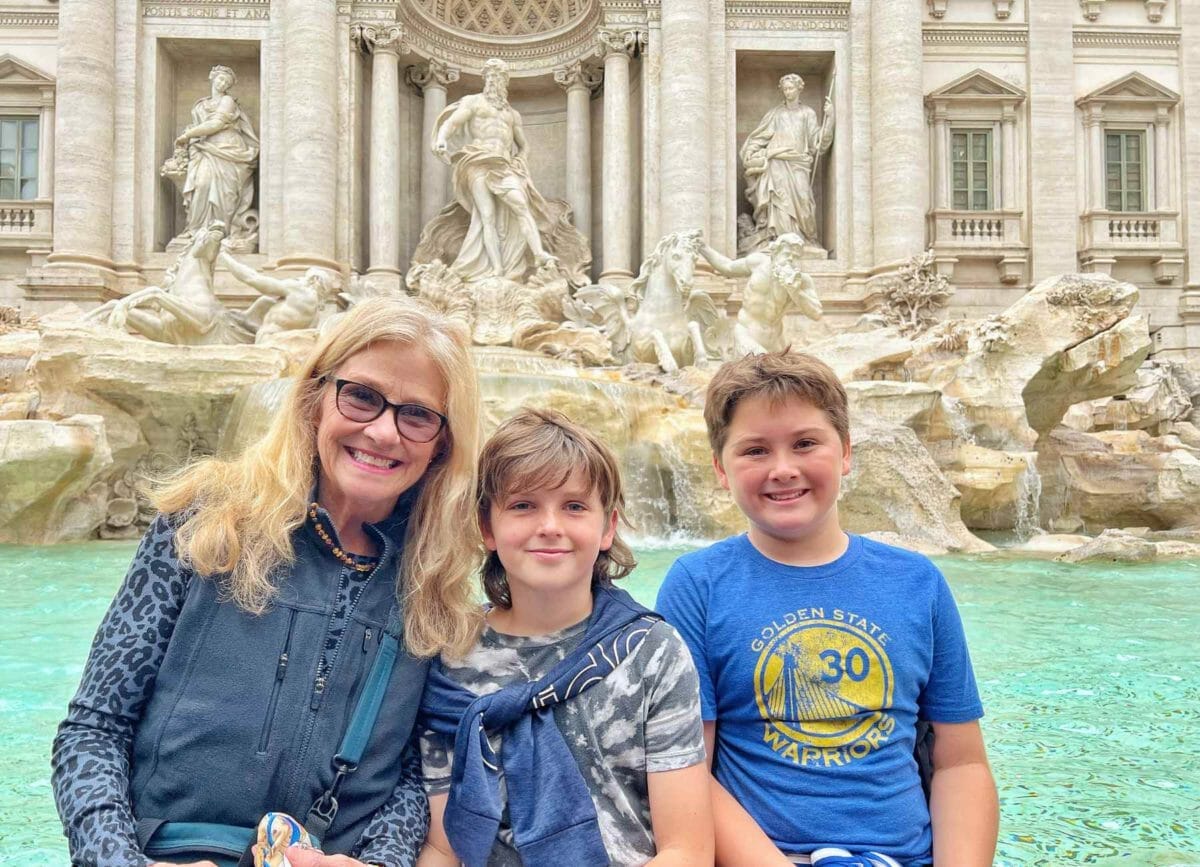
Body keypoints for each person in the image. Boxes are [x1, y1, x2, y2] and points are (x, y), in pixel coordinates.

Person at [52, 296, 484, 867]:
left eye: (417, 414)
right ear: (314, 401)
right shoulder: (202, 522)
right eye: (361, 396)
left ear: (441, 445)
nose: (383, 432)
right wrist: (122, 862)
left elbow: (409, 772)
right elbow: (94, 728)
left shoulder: (438, 582)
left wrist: (377, 864)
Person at [656, 351, 998, 867]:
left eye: (805, 443)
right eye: (754, 450)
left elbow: (961, 762)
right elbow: (687, 770)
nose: (783, 469)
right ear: (720, 470)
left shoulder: (916, 581)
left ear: (845, 454)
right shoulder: (697, 585)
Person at [415, 409, 713, 867]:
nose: (550, 525)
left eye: (574, 506)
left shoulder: (654, 652)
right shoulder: (452, 657)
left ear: (608, 527)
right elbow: (445, 844)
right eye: (523, 505)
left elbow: (687, 850)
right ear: (487, 528)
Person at [425, 58, 584, 284]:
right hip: (477, 161)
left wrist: (521, 159)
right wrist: (441, 139)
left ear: (504, 82)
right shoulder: (473, 102)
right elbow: (452, 124)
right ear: (485, 79)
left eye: (498, 77)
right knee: (486, 216)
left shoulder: (512, 114)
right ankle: (497, 268)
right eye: (490, 76)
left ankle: (538, 253)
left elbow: (524, 145)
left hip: (504, 165)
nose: (494, 81)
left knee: (522, 205)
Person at [167, 64, 260, 251]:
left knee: (225, 193)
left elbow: (216, 124)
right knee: (201, 184)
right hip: (205, 150)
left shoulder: (228, 101)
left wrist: (187, 135)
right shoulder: (200, 105)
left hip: (229, 150)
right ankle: (196, 230)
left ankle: (220, 233)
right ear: (212, 77)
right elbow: (202, 127)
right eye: (220, 79)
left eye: (227, 82)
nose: (222, 83)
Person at [740, 74, 834, 249]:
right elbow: (759, 138)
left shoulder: (808, 113)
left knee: (803, 200)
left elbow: (818, 143)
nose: (788, 92)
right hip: (777, 164)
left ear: (799, 88)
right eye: (785, 89)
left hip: (799, 163)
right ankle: (781, 240)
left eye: (791, 88)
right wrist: (752, 151)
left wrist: (829, 120)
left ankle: (804, 238)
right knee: (779, 202)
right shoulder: (775, 114)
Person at [698, 233, 823, 357]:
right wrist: (703, 247)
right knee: (762, 365)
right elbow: (727, 267)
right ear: (775, 253)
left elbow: (816, 313)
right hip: (746, 334)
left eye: (795, 257)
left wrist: (795, 291)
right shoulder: (757, 263)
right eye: (786, 254)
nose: (790, 259)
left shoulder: (802, 281)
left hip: (776, 342)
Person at [219, 249, 338, 342]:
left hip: (269, 342)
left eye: (303, 277)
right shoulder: (315, 314)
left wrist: (226, 259)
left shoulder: (300, 290)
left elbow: (254, 279)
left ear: (314, 280)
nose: (299, 279)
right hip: (278, 344)